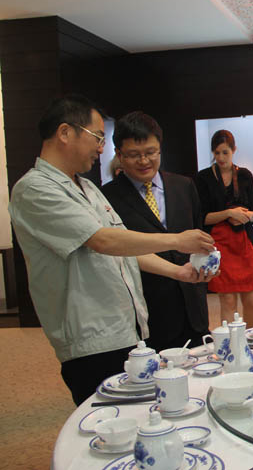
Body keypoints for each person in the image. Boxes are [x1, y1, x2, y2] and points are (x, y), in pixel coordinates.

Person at [8, 95, 215, 405]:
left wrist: (178, 272)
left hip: (127, 330)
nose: (101, 148)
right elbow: (102, 240)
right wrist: (175, 240)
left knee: (145, 411)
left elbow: (122, 244)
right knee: (108, 416)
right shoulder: (35, 189)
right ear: (65, 133)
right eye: (97, 136)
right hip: (92, 337)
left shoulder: (87, 188)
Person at [102, 111, 210, 352]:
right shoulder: (107, 197)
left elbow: (197, 238)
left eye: (150, 152)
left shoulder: (184, 186)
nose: (144, 161)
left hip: (192, 309)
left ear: (160, 149)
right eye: (134, 155)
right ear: (119, 155)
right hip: (146, 313)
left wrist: (206, 267)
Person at [195, 130, 253, 326]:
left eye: (225, 152)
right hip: (220, 244)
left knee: (252, 301)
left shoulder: (244, 175)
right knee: (227, 300)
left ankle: (249, 337)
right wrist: (228, 213)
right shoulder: (203, 178)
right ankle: (230, 341)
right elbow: (202, 218)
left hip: (245, 242)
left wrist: (247, 216)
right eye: (217, 153)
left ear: (234, 150)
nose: (221, 158)